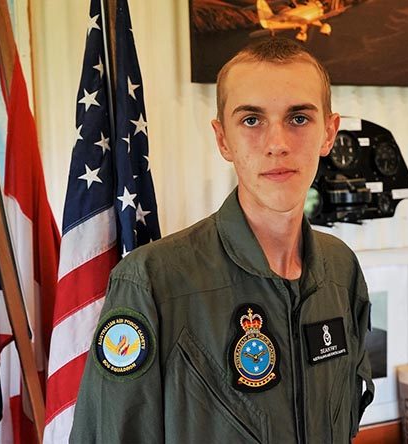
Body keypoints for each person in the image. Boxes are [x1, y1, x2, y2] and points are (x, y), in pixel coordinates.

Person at [70, 38, 374, 443]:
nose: (277, 143)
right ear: (223, 139)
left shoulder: (341, 268)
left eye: (298, 118)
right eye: (252, 120)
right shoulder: (151, 281)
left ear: (329, 133)